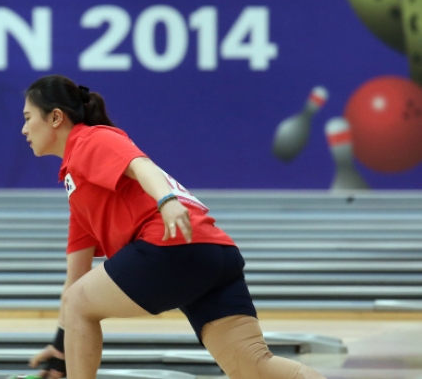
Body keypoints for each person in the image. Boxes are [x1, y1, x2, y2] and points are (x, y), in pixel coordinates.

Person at [20, 74, 327, 379]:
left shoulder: (90, 139)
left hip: (170, 245)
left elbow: (142, 166)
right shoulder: (78, 191)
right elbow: (74, 282)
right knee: (254, 368)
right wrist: (61, 351)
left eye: (28, 117)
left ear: (56, 117)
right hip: (214, 254)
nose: (24, 129)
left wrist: (166, 200)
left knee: (79, 301)